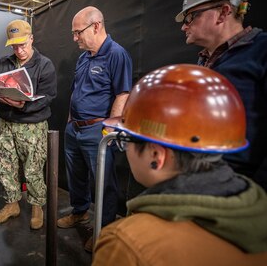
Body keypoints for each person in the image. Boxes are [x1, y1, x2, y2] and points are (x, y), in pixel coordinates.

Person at [92, 64, 267, 266]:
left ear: (156, 155)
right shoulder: (257, 210)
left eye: (127, 141)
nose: (126, 150)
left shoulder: (126, 244)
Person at [176, 0, 267, 190]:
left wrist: (256, 194)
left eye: (191, 16)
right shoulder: (205, 61)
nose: (184, 26)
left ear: (223, 12)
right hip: (199, 179)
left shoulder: (261, 52)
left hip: (241, 189)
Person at [56, 6, 132, 252]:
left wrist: (109, 131)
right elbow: (77, 90)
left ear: (96, 26)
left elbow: (123, 93)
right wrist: (70, 119)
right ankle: (80, 213)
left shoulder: (117, 54)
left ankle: (104, 230)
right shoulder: (84, 57)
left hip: (96, 131)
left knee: (104, 182)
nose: (75, 37)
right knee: (76, 176)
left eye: (78, 32)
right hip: (74, 129)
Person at [0, 19, 57, 230]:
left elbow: (48, 97)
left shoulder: (44, 65)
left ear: (31, 39)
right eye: (14, 45)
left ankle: (36, 206)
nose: (19, 49)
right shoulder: (3, 63)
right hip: (6, 123)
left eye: (23, 44)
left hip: (32, 125)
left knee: (33, 168)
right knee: (5, 166)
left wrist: (20, 105)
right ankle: (12, 204)